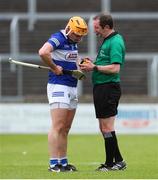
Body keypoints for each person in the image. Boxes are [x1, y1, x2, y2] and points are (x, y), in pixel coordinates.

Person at [39, 16, 88, 172]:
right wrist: (54, 67)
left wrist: (80, 64)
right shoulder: (58, 38)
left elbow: (72, 58)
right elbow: (43, 52)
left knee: (66, 128)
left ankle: (64, 163)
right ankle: (54, 164)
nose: (79, 38)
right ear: (69, 28)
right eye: (76, 34)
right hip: (59, 86)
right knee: (57, 126)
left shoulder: (73, 42)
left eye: (81, 35)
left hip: (72, 86)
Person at [79, 12, 127, 171]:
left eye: (97, 28)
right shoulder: (108, 40)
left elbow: (115, 68)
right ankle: (119, 160)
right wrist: (93, 64)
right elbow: (106, 64)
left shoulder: (115, 42)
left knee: (107, 127)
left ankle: (109, 164)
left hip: (108, 88)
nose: (95, 31)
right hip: (101, 87)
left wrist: (95, 67)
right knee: (104, 128)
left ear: (107, 27)